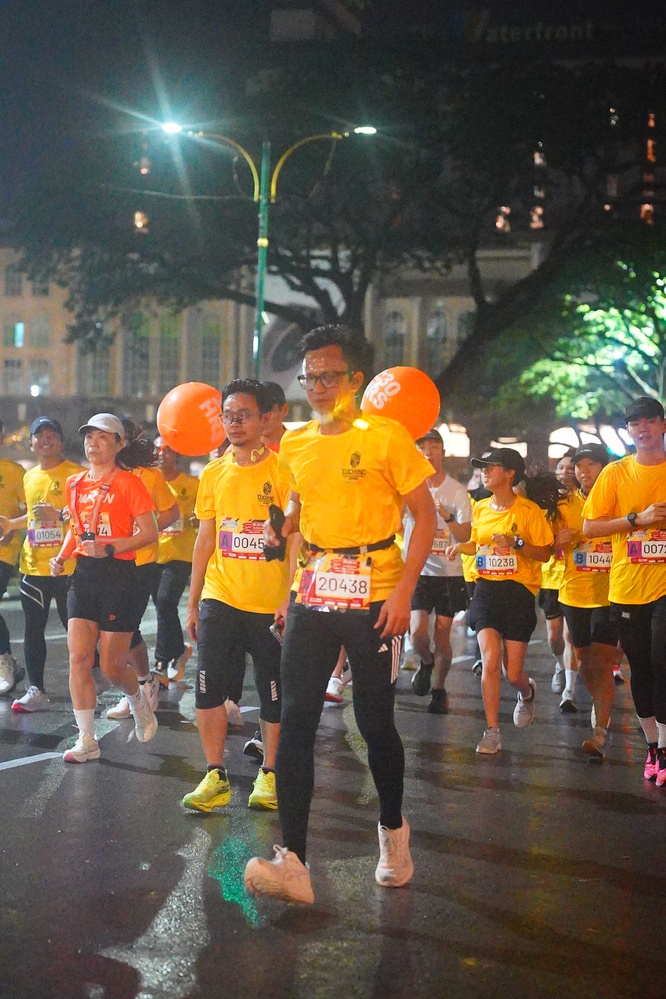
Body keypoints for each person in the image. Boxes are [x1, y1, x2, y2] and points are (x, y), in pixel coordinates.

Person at [244, 323, 436, 905]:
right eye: (309, 378)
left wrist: (403, 593)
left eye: (329, 376)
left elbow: (425, 516)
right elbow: (298, 510)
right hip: (313, 592)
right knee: (296, 719)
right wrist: (285, 542)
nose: (318, 387)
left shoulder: (386, 437)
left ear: (355, 379)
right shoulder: (296, 444)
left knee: (375, 723)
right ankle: (294, 862)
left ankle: (393, 831)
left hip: (376, 595)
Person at [183, 379, 294, 814]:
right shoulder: (213, 472)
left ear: (264, 419)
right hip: (220, 595)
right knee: (207, 687)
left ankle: (271, 774)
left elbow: (296, 537)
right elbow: (205, 538)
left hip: (269, 603)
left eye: (243, 415)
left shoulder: (283, 471)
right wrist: (193, 600)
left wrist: (288, 596)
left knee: (272, 692)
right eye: (228, 416)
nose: (234, 423)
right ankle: (215, 775)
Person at [50, 413, 158, 762]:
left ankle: (138, 701)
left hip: (120, 577)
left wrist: (109, 548)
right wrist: (61, 557)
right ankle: (87, 740)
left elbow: (150, 533)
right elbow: (78, 530)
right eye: (89, 437)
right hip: (84, 575)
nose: (93, 444)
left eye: (102, 438)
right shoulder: (74, 483)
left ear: (118, 444)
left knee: (112, 667)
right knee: (80, 658)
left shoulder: (130, 484)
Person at [446, 448, 553, 755]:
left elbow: (545, 553)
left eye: (491, 467)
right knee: (490, 661)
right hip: (486, 591)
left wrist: (516, 543)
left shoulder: (529, 511)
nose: (485, 472)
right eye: (483, 467)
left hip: (519, 593)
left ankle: (527, 692)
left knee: (513, 673)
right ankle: (492, 731)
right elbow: (478, 543)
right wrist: (461, 547)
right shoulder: (480, 507)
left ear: (509, 473)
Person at [583, 397, 666, 786]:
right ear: (629, 430)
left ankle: (665, 747)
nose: (643, 428)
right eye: (635, 423)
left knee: (662, 660)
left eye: (650, 421)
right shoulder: (615, 473)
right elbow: (590, 528)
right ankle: (653, 747)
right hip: (628, 586)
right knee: (642, 668)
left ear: (663, 425)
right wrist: (637, 519)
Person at [0, 418, 83, 711]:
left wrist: (58, 515)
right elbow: (34, 517)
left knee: (77, 632)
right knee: (33, 629)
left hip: (68, 566)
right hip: (33, 567)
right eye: (40, 435)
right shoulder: (29, 477)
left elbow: (85, 514)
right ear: (32, 444)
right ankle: (36, 690)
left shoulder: (77, 474)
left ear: (61, 441)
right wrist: (12, 524)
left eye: (52, 434)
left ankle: (87, 683)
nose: (46, 439)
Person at [105, 421, 179, 720]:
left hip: (140, 562)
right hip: (106, 561)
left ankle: (141, 687)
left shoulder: (148, 476)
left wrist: (145, 530)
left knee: (124, 628)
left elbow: (172, 511)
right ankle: (142, 684)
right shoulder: (101, 474)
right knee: (117, 629)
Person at [558, 443, 618, 759]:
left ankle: (600, 731)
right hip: (574, 593)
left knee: (603, 660)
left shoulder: (618, 500)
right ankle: (600, 704)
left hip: (610, 594)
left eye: (591, 464)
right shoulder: (564, 504)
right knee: (583, 661)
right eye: (579, 465)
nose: (583, 471)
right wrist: (557, 541)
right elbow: (546, 546)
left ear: (604, 467)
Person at [405, 428, 471, 713]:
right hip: (419, 570)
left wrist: (447, 516)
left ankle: (439, 689)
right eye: (422, 447)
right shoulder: (409, 487)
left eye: (433, 447)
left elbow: (466, 534)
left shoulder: (456, 490)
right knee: (417, 633)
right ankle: (426, 661)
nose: (428, 453)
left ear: (443, 452)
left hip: (448, 573)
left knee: (442, 634)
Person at [151, 440, 199, 683]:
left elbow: (206, 513)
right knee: (163, 607)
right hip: (153, 554)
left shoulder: (192, 484)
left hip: (180, 555)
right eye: (157, 449)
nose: (162, 454)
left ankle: (160, 661)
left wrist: (197, 519)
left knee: (165, 601)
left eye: (167, 449)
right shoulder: (149, 484)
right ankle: (178, 651)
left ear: (177, 454)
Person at [541, 449, 577, 709]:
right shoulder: (547, 503)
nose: (566, 472)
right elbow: (538, 541)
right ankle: (558, 665)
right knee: (554, 637)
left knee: (569, 636)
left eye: (570, 468)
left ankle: (569, 692)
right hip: (551, 578)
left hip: (576, 577)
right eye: (561, 468)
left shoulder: (586, 500)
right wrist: (556, 541)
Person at [0, 418, 26, 697]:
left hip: (3, 552)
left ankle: (4, 659)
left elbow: (30, 509)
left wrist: (11, 528)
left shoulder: (15, 471)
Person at [261, 380, 289, 449]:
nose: (262, 418)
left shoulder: (301, 447)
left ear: (284, 410)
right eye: (256, 412)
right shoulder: (241, 450)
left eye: (267, 410)